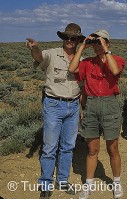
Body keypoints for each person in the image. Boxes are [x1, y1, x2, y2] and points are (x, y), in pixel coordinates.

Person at [26, 23, 85, 199]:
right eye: (66, 37)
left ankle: (63, 181)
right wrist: (35, 48)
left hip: (74, 106)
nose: (69, 40)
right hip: (53, 105)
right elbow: (38, 58)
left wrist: (81, 108)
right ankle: (45, 184)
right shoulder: (52, 54)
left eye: (73, 38)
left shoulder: (81, 60)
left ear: (77, 41)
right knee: (50, 147)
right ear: (63, 38)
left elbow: (81, 87)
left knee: (68, 146)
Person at [68, 29, 125, 199]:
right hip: (91, 105)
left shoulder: (117, 60)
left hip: (110, 104)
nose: (97, 46)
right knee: (92, 149)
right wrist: (83, 46)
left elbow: (115, 72)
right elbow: (72, 68)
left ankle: (116, 182)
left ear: (108, 43)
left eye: (101, 42)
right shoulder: (87, 63)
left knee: (112, 148)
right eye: (96, 44)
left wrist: (106, 50)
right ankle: (89, 184)